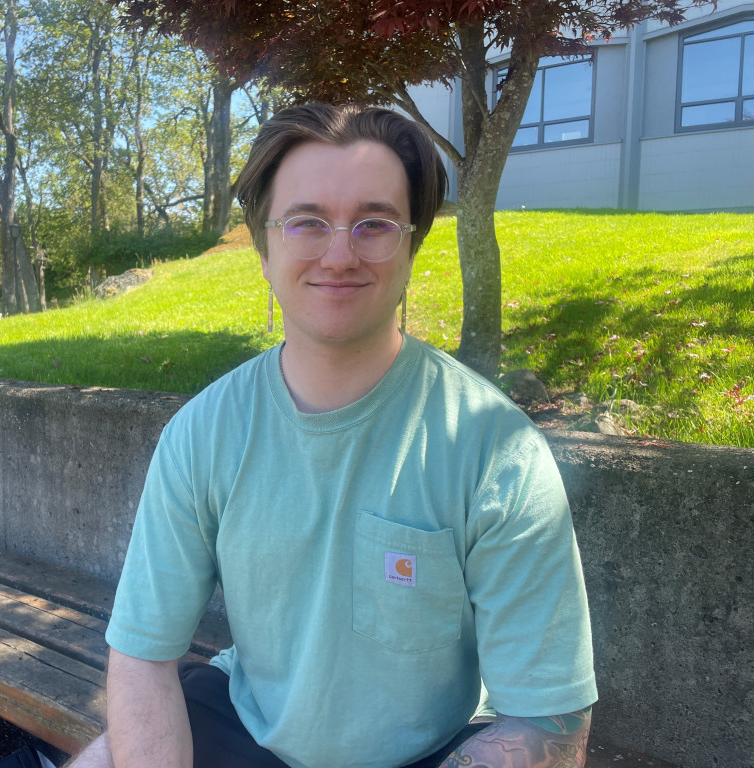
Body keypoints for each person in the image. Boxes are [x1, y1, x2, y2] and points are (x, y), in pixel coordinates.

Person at [67, 102, 598, 768]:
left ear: (410, 245)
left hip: (434, 748)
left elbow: (550, 720)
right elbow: (143, 656)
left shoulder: (496, 449)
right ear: (265, 246)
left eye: (374, 224)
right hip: (251, 721)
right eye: (307, 222)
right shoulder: (202, 435)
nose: (340, 253)